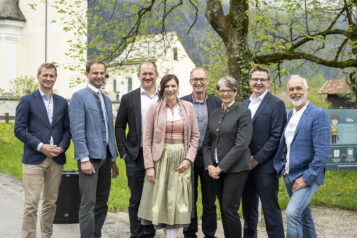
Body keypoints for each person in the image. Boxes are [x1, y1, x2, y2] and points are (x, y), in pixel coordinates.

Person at [138, 74, 200, 238]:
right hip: (160, 159)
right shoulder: (154, 108)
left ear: (178, 87)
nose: (170, 89)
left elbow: (195, 136)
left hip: (181, 158)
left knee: (176, 201)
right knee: (161, 201)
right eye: (167, 86)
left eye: (173, 86)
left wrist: (188, 159)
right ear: (162, 88)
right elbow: (147, 138)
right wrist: (149, 166)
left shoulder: (188, 107)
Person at [14, 63, 71, 238]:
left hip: (56, 159)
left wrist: (62, 146)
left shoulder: (62, 102)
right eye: (45, 75)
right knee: (31, 203)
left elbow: (67, 130)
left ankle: (47, 236)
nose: (48, 79)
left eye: (52, 76)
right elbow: (19, 129)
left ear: (55, 78)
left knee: (50, 203)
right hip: (34, 158)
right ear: (38, 77)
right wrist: (41, 146)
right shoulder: (27, 100)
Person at [273, 75, 331, 238]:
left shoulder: (318, 114)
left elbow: (322, 153)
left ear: (307, 91)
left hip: (306, 177)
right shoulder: (291, 115)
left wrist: (306, 178)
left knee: (292, 214)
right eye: (291, 89)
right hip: (289, 176)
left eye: (299, 88)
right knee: (304, 217)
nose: (295, 92)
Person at [69, 60, 119, 238]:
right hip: (90, 159)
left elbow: (109, 130)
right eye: (95, 73)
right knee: (88, 203)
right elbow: (77, 130)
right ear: (87, 74)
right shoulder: (79, 97)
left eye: (101, 73)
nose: (99, 76)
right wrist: (84, 158)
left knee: (102, 202)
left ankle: (95, 235)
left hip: (106, 157)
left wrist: (113, 159)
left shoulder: (106, 99)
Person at [203, 76, 252, 238]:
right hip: (215, 168)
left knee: (229, 208)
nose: (225, 93)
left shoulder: (244, 113)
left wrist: (221, 167)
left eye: (228, 90)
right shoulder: (215, 113)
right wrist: (210, 165)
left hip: (236, 169)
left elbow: (241, 145)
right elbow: (206, 144)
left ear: (235, 92)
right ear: (218, 92)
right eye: (222, 90)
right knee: (223, 208)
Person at [115, 60, 158, 238]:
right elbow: (119, 127)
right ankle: (136, 233)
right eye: (144, 73)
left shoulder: (164, 97)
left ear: (156, 75)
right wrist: (124, 152)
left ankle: (149, 233)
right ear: (139, 75)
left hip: (158, 156)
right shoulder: (128, 98)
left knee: (154, 197)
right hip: (135, 155)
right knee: (136, 199)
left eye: (151, 73)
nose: (147, 76)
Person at [242, 65, 286, 238]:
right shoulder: (245, 104)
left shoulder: (276, 104)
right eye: (255, 79)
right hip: (245, 165)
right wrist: (246, 159)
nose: (258, 82)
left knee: (270, 210)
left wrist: (257, 159)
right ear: (249, 81)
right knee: (248, 209)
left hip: (265, 166)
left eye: (262, 79)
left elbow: (277, 137)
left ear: (268, 82)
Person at [181, 67, 221, 238]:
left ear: (207, 81)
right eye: (195, 79)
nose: (198, 82)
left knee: (209, 200)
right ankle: (189, 233)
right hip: (187, 156)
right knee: (188, 199)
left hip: (209, 157)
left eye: (202, 79)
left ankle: (209, 233)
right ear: (190, 81)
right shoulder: (181, 102)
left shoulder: (217, 102)